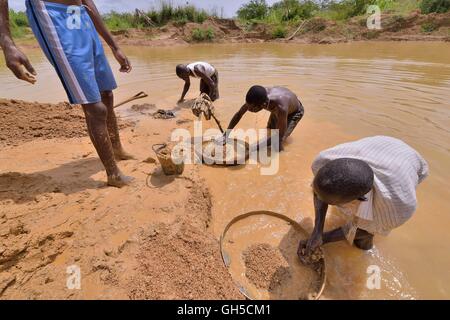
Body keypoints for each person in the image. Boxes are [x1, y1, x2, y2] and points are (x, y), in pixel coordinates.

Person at [0, 0, 134, 188]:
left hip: (80, 14)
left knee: (107, 94)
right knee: (95, 107)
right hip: (53, 16)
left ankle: (117, 148)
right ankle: (114, 174)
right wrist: (7, 43)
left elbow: (87, 1)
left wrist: (114, 46)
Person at [298, 136, 429, 260]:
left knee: (363, 241)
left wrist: (325, 238)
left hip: (409, 162)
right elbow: (319, 192)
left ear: (361, 198)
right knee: (330, 194)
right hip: (381, 145)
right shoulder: (324, 160)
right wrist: (317, 231)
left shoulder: (398, 207)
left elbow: (366, 231)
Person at [225, 85, 304, 151]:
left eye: (252, 108)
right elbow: (239, 114)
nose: (248, 110)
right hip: (278, 108)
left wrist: (254, 147)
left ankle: (282, 160)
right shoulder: (256, 97)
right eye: (247, 106)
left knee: (278, 142)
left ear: (263, 105)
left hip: (294, 112)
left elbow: (278, 136)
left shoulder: (280, 107)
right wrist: (226, 134)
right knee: (269, 130)